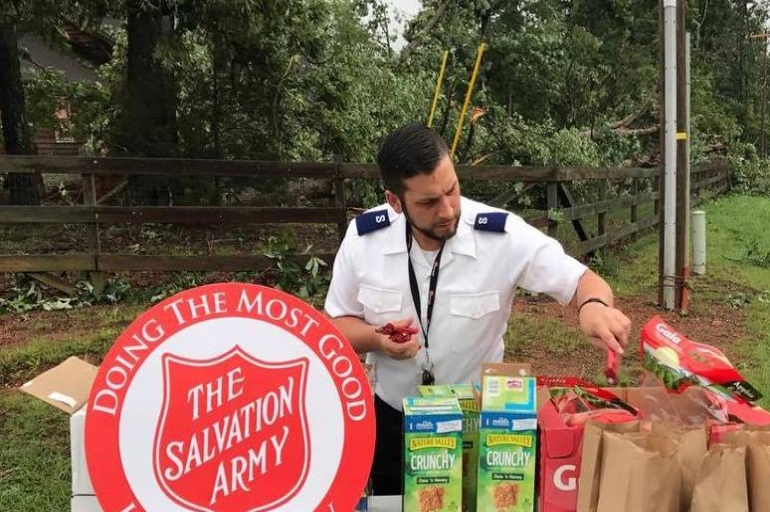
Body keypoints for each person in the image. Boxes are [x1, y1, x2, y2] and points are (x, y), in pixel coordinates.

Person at [324, 123, 632, 496]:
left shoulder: (500, 236)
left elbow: (584, 282)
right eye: (428, 202)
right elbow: (335, 326)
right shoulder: (363, 239)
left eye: (452, 189)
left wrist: (594, 307)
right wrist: (376, 338)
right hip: (394, 419)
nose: (447, 209)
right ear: (395, 201)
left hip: (479, 423)